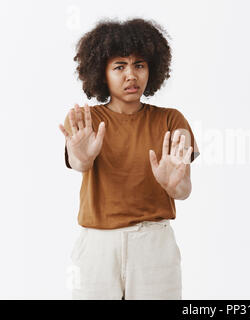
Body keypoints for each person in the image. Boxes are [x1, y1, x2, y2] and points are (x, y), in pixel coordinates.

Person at [57, 17, 200, 300]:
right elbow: (78, 163)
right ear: (102, 72)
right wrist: (82, 157)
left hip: (154, 244)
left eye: (139, 65)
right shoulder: (86, 120)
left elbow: (184, 190)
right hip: (97, 244)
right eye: (119, 66)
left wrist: (175, 185)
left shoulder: (172, 119)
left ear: (152, 69)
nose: (131, 75)